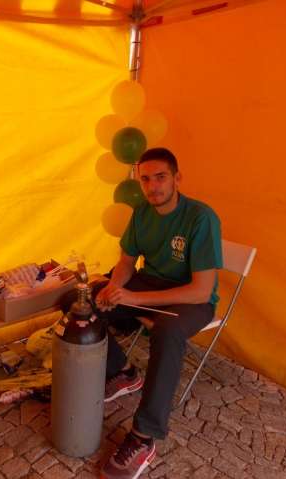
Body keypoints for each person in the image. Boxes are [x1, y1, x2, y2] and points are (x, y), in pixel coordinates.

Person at [95, 148, 223, 479]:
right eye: (146, 179)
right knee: (84, 300)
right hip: (149, 283)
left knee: (167, 331)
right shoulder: (141, 213)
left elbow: (201, 290)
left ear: (177, 178)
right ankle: (123, 372)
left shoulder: (201, 217)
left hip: (191, 299)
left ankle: (144, 436)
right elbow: (126, 262)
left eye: (161, 177)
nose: (153, 187)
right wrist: (113, 288)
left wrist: (135, 298)